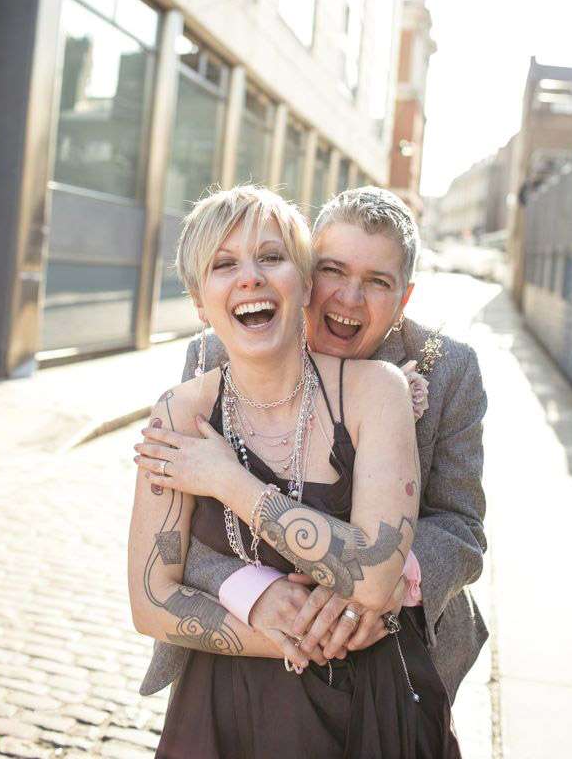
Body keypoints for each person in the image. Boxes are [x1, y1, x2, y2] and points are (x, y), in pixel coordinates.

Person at [129, 185, 461, 757]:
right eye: (224, 265)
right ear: (199, 302)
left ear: (301, 283)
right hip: (223, 706)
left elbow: (447, 533)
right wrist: (267, 613)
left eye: (271, 256)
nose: (250, 278)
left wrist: (228, 480)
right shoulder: (183, 405)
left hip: (369, 700)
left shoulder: (393, 385)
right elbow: (151, 595)